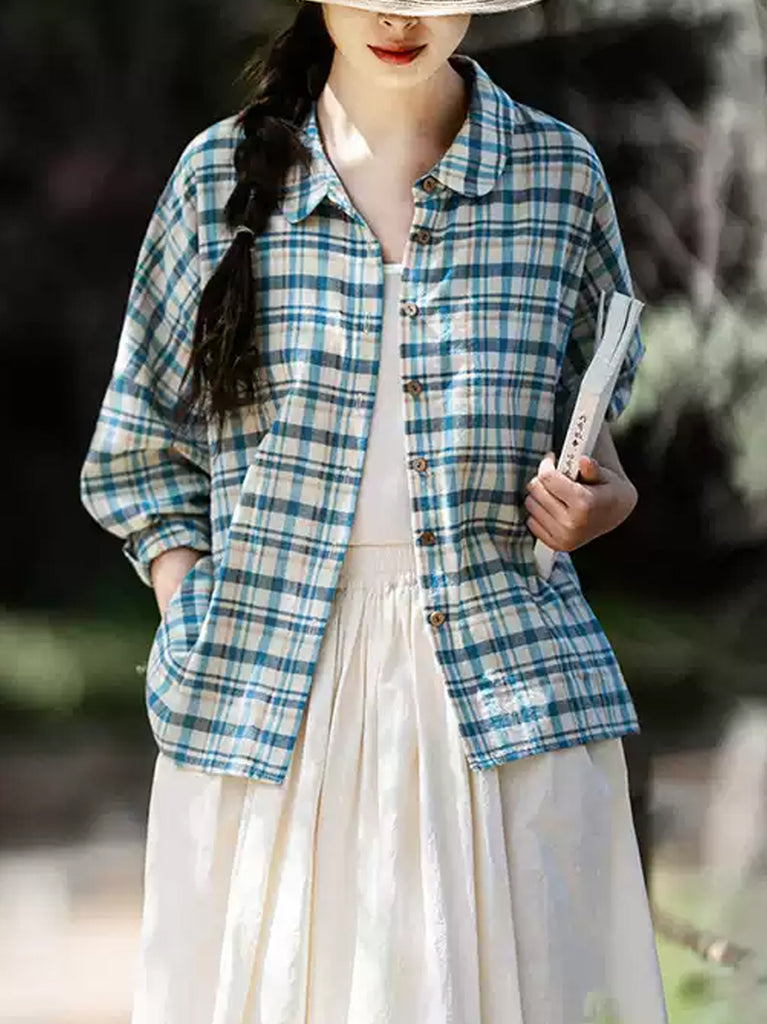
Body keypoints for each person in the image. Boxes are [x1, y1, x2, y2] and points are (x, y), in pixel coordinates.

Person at [79, 1, 669, 1021]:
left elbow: (592, 445)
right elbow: (139, 451)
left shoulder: (555, 176)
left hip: (500, 703)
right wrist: (192, 609)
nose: (400, 14)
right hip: (267, 700)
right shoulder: (216, 177)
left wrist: (597, 505)